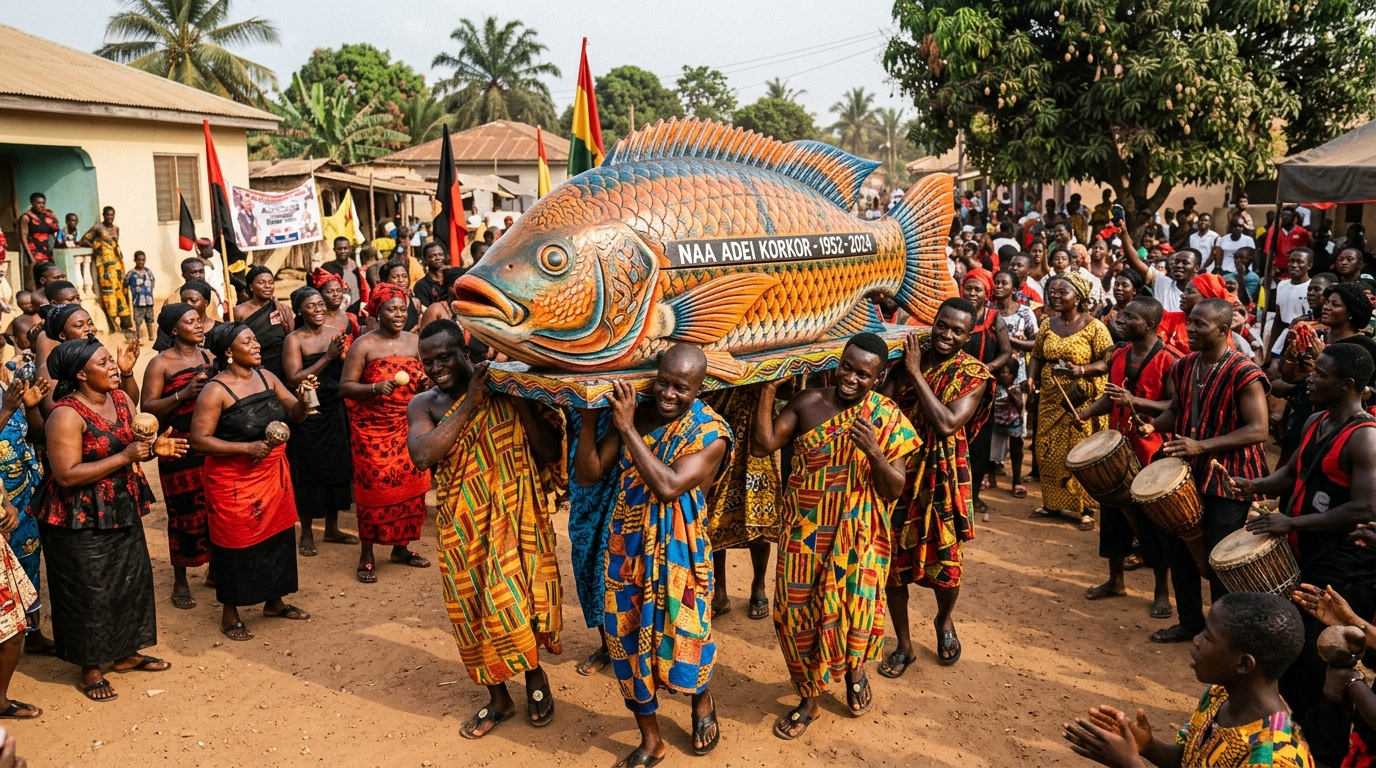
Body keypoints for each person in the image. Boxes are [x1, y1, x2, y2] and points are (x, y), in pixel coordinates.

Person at [751, 333, 918, 738]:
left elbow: (894, 488)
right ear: (837, 363)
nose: (852, 379)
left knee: (853, 610)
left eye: (864, 374)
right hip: (804, 534)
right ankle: (808, 696)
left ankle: (855, 671)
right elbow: (763, 445)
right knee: (796, 615)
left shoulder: (887, 418)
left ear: (877, 380)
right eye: (847, 367)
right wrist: (769, 390)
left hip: (858, 536)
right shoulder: (808, 402)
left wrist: (875, 452)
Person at [572, 344, 731, 764]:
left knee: (687, 637)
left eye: (681, 387)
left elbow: (668, 486)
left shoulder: (711, 433)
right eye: (663, 381)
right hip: (627, 549)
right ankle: (651, 739)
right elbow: (590, 474)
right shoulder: (635, 412)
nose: (668, 394)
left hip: (682, 551)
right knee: (625, 641)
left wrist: (626, 429)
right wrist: (591, 418)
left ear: (699, 390)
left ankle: (701, 700)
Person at [406, 320, 565, 738]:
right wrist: (470, 401)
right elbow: (423, 455)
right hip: (462, 525)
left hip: (516, 516)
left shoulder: (507, 386)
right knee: (472, 607)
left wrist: (520, 396)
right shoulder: (425, 404)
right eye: (427, 362)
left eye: (444, 357)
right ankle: (498, 698)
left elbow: (548, 450)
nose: (436, 368)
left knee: (517, 599)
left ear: (465, 351)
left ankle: (534, 681)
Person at [1227, 343, 1376, 765]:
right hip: (1301, 561)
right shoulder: (1315, 420)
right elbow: (1291, 473)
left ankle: (1324, 755)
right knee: (1294, 666)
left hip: (1343, 573)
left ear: (1347, 385)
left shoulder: (1365, 438)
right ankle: (1294, 747)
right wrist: (1253, 486)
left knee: (1323, 668)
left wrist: (1292, 523)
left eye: (1320, 373)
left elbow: (1367, 508)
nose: (1309, 376)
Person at [40, 337, 185, 701]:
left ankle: (125, 653)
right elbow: (67, 475)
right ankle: (89, 667)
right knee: (87, 590)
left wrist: (155, 450)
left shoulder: (119, 400)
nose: (113, 367)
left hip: (120, 504)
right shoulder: (66, 414)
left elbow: (134, 447)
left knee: (128, 579)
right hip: (77, 515)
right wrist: (127, 458)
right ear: (80, 374)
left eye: (111, 361)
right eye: (104, 363)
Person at [1062, 591, 1312, 768]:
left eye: (1208, 636)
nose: (1195, 640)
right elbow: (1191, 759)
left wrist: (1129, 763)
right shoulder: (1221, 695)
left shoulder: (1273, 758)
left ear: (1244, 664)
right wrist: (1148, 746)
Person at [874, 302, 992, 674]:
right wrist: (902, 368)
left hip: (941, 474)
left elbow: (946, 423)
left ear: (968, 335)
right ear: (934, 324)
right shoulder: (909, 357)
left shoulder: (974, 374)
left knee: (947, 564)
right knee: (893, 565)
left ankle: (943, 621)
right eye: (942, 327)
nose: (946, 336)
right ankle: (904, 645)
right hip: (900, 470)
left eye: (957, 331)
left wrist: (914, 373)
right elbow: (885, 403)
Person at [1146, 299, 1270, 645]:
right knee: (1179, 548)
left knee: (1219, 558)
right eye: (1190, 323)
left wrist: (1201, 446)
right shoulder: (1184, 366)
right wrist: (1152, 425)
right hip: (1187, 475)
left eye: (1200, 324)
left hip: (1228, 479)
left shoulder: (1243, 371)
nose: (1191, 330)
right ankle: (1189, 623)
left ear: (1223, 331)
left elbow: (1258, 429)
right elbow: (1176, 410)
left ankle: (1222, 635)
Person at [189, 323, 315, 642]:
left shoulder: (267, 377)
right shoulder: (215, 391)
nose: (257, 345)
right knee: (236, 542)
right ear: (229, 353)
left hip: (272, 474)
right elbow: (199, 440)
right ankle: (230, 612)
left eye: (255, 339)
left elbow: (294, 415)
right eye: (248, 341)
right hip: (233, 480)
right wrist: (246, 448)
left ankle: (275, 601)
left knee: (277, 534)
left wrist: (302, 401)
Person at [1074, 297, 1178, 620]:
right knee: (1114, 517)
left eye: (1129, 316)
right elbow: (1110, 398)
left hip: (1152, 453)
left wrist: (1136, 402)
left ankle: (1162, 592)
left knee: (1153, 525)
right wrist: (1087, 412)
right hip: (1117, 449)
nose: (1120, 318)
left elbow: (1176, 407)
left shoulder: (1170, 361)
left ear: (1148, 325)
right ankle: (1115, 581)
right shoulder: (1120, 353)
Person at [340, 283, 430, 583]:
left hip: (409, 425)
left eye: (403, 309)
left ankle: (401, 548)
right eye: (392, 309)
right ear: (378, 312)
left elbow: (426, 379)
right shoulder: (363, 345)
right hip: (373, 431)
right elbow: (346, 386)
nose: (399, 314)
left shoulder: (415, 342)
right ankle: (367, 554)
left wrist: (425, 383)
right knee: (375, 489)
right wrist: (375, 388)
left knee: (410, 487)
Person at [138, 304, 215, 609]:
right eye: (190, 322)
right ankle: (181, 578)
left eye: (199, 321)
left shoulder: (209, 357)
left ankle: (215, 569)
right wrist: (183, 394)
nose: (198, 326)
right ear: (173, 330)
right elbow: (148, 406)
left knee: (213, 507)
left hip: (207, 442)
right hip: (176, 446)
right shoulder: (161, 364)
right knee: (183, 512)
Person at [1029, 273, 1114, 529]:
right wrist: (1032, 378)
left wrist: (1082, 370)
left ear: (1078, 298)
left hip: (1081, 399)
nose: (1055, 296)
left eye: (1062, 292)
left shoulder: (1096, 327)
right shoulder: (1047, 324)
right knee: (1047, 448)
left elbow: (1108, 360)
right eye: (1052, 291)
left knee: (1080, 452)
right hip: (1051, 398)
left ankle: (1085, 506)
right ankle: (1053, 502)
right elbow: (1036, 354)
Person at [281, 287, 357, 556]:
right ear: (300, 310)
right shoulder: (295, 339)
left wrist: (344, 355)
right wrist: (327, 357)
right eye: (311, 306)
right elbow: (293, 377)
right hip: (309, 411)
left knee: (336, 468)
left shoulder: (334, 335)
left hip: (334, 407)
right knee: (309, 471)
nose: (318, 309)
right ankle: (307, 532)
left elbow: (347, 368)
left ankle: (333, 529)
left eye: (320, 305)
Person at [702, 383, 783, 620]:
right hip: (716, 421)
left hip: (756, 428)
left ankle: (758, 587)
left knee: (759, 516)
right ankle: (720, 593)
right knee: (713, 515)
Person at [0, 376, 53, 656]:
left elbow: (32, 436)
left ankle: (31, 633)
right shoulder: (6, 399)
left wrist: (30, 408)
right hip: (3, 499)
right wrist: (7, 409)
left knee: (27, 563)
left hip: (20, 496)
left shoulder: (6, 385)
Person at [958, 270, 1011, 514]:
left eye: (978, 289)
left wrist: (986, 369)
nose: (972, 293)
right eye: (969, 288)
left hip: (982, 392)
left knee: (978, 445)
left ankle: (975, 495)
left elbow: (1006, 352)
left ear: (986, 294)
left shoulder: (993, 318)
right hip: (954, 389)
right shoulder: (956, 313)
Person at [78, 207, 133, 335]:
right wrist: (96, 247)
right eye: (107, 215)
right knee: (109, 295)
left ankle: (125, 324)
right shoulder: (98, 228)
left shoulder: (116, 229)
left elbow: (115, 245)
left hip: (118, 266)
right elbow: (84, 240)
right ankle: (113, 325)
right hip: (105, 267)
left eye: (112, 215)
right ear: (104, 215)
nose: (110, 217)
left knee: (121, 294)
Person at [232, 266, 292, 381]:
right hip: (252, 368)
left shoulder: (283, 309)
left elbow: (291, 338)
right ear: (251, 287)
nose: (267, 286)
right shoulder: (239, 311)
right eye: (261, 282)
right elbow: (234, 343)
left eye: (271, 282)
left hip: (281, 367)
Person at [987, 360, 1027, 498]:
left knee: (1016, 449)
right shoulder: (995, 385)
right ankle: (991, 479)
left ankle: (1016, 481)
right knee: (992, 450)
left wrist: (1009, 389)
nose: (1000, 375)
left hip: (1013, 421)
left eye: (1004, 372)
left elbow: (1020, 405)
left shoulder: (1014, 388)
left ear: (1013, 375)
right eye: (999, 372)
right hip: (997, 421)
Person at [1266, 248, 1313, 361]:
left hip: (1303, 337)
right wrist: (1269, 350)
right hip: (1284, 335)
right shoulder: (1282, 285)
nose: (1294, 265)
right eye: (1291, 261)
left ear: (1309, 266)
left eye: (1299, 262)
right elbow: (1278, 319)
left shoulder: (1312, 287)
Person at [321, 237, 370, 312]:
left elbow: (360, 288)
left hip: (354, 309)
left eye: (345, 248)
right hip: (335, 310)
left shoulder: (354, 267)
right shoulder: (327, 268)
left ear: (350, 249)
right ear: (334, 250)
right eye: (339, 249)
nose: (343, 251)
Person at [412, 241, 463, 309]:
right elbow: (426, 310)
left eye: (441, 254)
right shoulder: (421, 285)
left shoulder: (451, 277)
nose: (438, 258)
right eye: (433, 256)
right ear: (425, 260)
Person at [1266, 207, 1311, 276]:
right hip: (1278, 270)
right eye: (1283, 215)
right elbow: (1268, 250)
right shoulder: (1275, 231)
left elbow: (1307, 249)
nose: (1285, 217)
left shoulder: (1302, 232)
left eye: (1288, 216)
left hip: (1297, 270)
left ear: (1294, 218)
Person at [16, 194, 58, 264]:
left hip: (48, 253)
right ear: (32, 203)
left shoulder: (47, 216)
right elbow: (23, 237)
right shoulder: (26, 217)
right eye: (38, 203)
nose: (41, 205)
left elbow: (54, 232)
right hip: (33, 253)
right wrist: (30, 256)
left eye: (43, 203)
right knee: (34, 274)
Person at [123, 251, 155, 342]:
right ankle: (138, 337)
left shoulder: (148, 272)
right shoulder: (131, 273)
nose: (141, 262)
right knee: (138, 320)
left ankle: (151, 336)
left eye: (143, 260)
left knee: (149, 319)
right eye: (139, 260)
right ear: (135, 260)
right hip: (137, 301)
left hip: (148, 301)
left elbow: (152, 283)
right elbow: (125, 283)